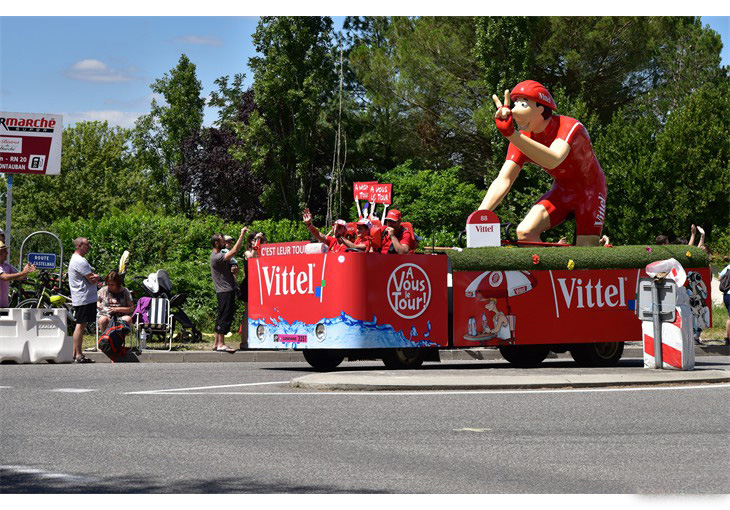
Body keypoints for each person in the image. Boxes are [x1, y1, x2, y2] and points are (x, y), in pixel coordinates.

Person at [480, 80, 607, 247]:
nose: (514, 110)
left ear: (540, 108)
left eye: (523, 104)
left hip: (591, 192)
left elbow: (554, 158)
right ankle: (550, 267)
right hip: (562, 191)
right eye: (515, 103)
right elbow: (504, 179)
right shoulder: (520, 139)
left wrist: (512, 135)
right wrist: (479, 215)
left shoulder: (569, 126)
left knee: (586, 253)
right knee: (524, 233)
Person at [210, 228, 247, 352]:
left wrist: (234, 271)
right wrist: (242, 234)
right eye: (222, 241)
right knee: (225, 316)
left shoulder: (218, 256)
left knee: (221, 315)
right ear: (216, 243)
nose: (224, 243)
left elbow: (230, 269)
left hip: (224, 290)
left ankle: (216, 344)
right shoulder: (218, 257)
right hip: (225, 290)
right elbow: (235, 250)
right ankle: (221, 344)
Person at [68, 238, 100, 363]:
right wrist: (97, 277)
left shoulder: (80, 259)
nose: (89, 246)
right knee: (81, 325)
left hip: (83, 296)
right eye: (87, 244)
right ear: (80, 245)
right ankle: (78, 354)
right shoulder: (79, 260)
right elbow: (92, 278)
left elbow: (90, 272)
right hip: (83, 297)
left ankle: (76, 353)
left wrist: (93, 275)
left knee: (82, 324)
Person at [240, 231, 266, 350]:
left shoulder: (263, 252)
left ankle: (261, 339)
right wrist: (257, 244)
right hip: (249, 284)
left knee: (263, 312)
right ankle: (244, 342)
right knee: (248, 313)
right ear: (251, 241)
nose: (260, 241)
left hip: (260, 284)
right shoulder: (247, 252)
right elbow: (252, 257)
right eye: (256, 239)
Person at [0, 241, 36, 308]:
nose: (7, 253)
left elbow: (19, 277)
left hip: (4, 306)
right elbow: (5, 277)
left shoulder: (6, 266)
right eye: (5, 251)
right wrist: (24, 272)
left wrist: (27, 270)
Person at [719, 263, 730, 346]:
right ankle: (727, 338)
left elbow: (719, 277)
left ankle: (727, 338)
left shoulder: (728, 266)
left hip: (727, 295)